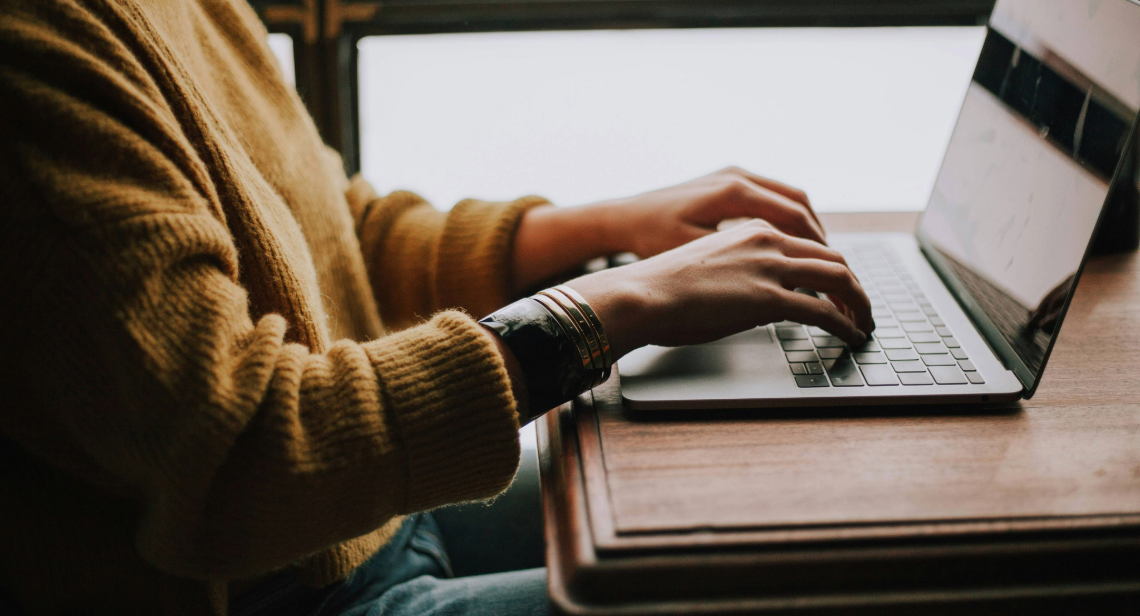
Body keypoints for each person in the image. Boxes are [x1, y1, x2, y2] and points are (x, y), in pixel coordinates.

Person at [0, 0, 873, 614]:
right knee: (795, 591)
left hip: (365, 522)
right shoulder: (33, 53)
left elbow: (331, 232)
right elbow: (243, 454)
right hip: (270, 589)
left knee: (782, 519)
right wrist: (609, 306)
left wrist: (608, 226)